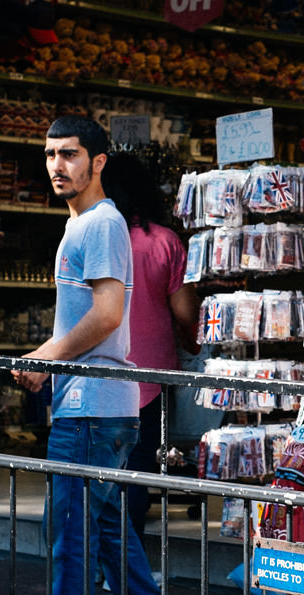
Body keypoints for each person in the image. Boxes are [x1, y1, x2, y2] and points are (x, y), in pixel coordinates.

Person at [1, 116, 183, 595]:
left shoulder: (99, 226)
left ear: (99, 161)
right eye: (51, 154)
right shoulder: (88, 224)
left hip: (92, 404)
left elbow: (107, 316)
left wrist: (43, 359)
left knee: (72, 535)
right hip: (103, 403)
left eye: (71, 154)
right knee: (106, 531)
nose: (58, 165)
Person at [100, 152, 199, 542]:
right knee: (137, 473)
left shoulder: (96, 237)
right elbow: (185, 310)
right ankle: (129, 565)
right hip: (150, 378)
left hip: (99, 374)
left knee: (97, 473)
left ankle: (99, 564)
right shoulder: (164, 242)